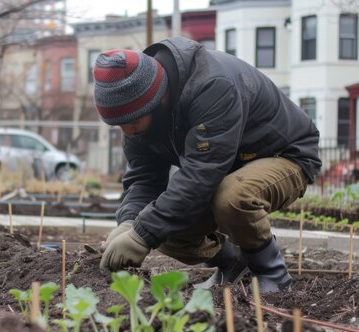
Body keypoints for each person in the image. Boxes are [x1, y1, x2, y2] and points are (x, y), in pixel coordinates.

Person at [94, 37, 321, 293]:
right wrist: (130, 222)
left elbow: (201, 173)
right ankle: (232, 262)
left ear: (156, 101)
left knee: (232, 197)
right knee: (162, 229)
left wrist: (141, 234)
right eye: (120, 124)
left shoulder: (211, 86)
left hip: (284, 154)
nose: (127, 130)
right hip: (225, 166)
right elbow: (144, 180)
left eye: (132, 121)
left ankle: (272, 274)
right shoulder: (137, 118)